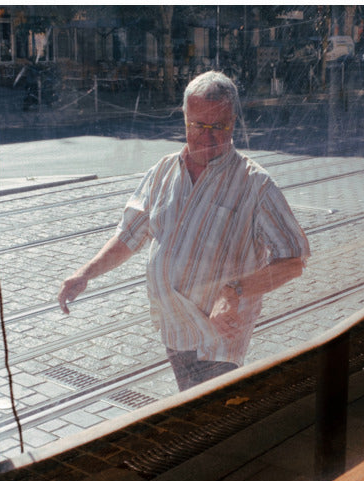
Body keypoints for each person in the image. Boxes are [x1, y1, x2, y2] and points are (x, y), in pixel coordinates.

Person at [58, 71, 310, 391]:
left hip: (218, 338)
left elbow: (294, 259)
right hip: (175, 330)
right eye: (198, 126)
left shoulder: (255, 184)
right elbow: (129, 236)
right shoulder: (163, 171)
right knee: (196, 414)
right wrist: (85, 273)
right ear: (185, 118)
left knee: (209, 415)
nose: (207, 137)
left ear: (233, 122)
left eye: (219, 126)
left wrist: (234, 291)